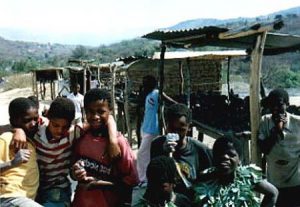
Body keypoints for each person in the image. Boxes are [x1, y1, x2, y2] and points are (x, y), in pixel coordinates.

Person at [10, 96, 120, 206]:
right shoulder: (37, 131)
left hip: (58, 190)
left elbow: (108, 119)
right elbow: (17, 125)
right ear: (48, 118)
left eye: (65, 127)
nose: (59, 131)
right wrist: (18, 131)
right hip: (35, 189)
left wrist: (113, 141)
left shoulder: (72, 133)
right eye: (55, 125)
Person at [71, 88, 139, 207]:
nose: (95, 116)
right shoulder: (81, 137)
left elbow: (130, 183)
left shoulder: (118, 143)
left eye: (101, 111)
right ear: (84, 112)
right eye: (90, 112)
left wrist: (101, 184)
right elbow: (72, 168)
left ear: (110, 111)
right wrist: (75, 172)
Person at [194, 136, 278, 207]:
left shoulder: (247, 178)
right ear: (213, 157)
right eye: (220, 153)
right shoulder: (205, 179)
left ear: (239, 160)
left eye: (231, 154)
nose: (225, 157)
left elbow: (273, 193)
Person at [150, 103, 212, 199]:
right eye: (171, 129)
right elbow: (154, 177)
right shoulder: (157, 145)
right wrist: (165, 153)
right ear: (165, 125)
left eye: (180, 129)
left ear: (189, 127)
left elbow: (211, 177)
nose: (176, 134)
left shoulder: (200, 149)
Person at [258, 88, 300, 207]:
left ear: (287, 104)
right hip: (275, 183)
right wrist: (276, 130)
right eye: (272, 105)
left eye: (279, 104)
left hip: (295, 181)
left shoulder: (297, 123)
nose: (275, 108)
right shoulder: (265, 122)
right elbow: (264, 149)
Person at [0, 97, 41, 207]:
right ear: (13, 121)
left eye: (35, 119)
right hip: (10, 197)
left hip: (26, 199)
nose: (33, 124)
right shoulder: (7, 139)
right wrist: (12, 163)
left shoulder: (33, 139)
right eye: (27, 120)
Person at [137, 75, 176, 185]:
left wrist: (179, 106)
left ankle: (143, 179)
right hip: (146, 127)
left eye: (146, 82)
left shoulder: (156, 93)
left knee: (141, 154)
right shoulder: (147, 94)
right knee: (147, 154)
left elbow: (169, 101)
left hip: (152, 128)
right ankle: (146, 177)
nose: (144, 85)